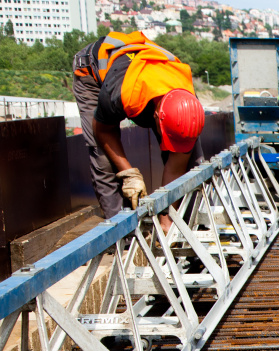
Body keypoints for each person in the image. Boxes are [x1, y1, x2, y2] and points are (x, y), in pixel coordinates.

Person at [71, 31, 205, 219]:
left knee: (193, 162)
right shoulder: (121, 93)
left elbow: (176, 167)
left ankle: (183, 225)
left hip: (148, 75)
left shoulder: (187, 106)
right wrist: (128, 173)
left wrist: (167, 220)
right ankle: (122, 236)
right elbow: (102, 130)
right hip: (92, 72)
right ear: (157, 116)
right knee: (104, 159)